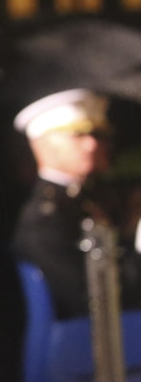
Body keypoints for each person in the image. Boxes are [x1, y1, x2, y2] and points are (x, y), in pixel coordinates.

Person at [12, 88, 141, 319]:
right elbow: (93, 301)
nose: (92, 145)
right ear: (43, 144)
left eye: (99, 135)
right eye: (77, 135)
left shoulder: (82, 200)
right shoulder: (46, 217)